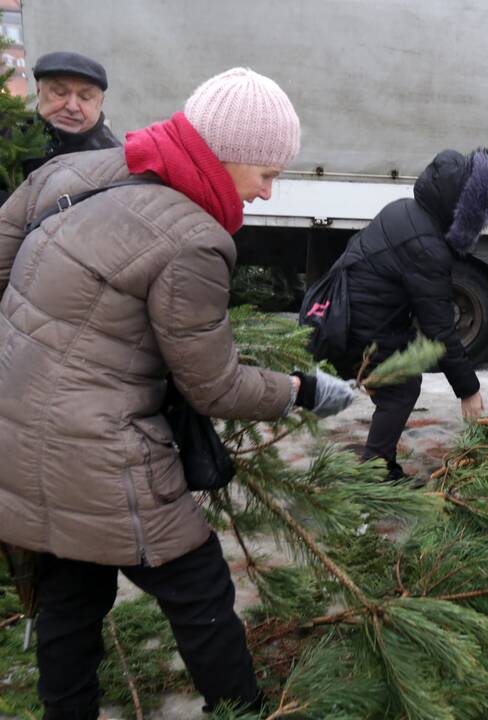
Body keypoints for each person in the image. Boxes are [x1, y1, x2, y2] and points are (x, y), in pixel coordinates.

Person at [0, 67, 355, 719]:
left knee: (71, 594)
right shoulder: (195, 238)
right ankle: (240, 709)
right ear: (224, 154)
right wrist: (303, 389)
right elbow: (214, 383)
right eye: (266, 172)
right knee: (199, 589)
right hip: (102, 455)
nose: (269, 192)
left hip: (18, 437)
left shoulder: (71, 174)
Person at [334, 148, 488, 482]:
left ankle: (382, 464)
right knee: (401, 386)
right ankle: (376, 472)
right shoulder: (426, 245)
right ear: (461, 203)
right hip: (359, 321)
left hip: (354, 310)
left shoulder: (406, 210)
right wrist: (468, 389)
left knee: (400, 381)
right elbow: (440, 326)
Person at [0, 51, 121, 207]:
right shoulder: (8, 133)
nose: (72, 107)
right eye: (60, 93)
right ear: (38, 91)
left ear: (100, 102)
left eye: (85, 97)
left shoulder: (113, 158)